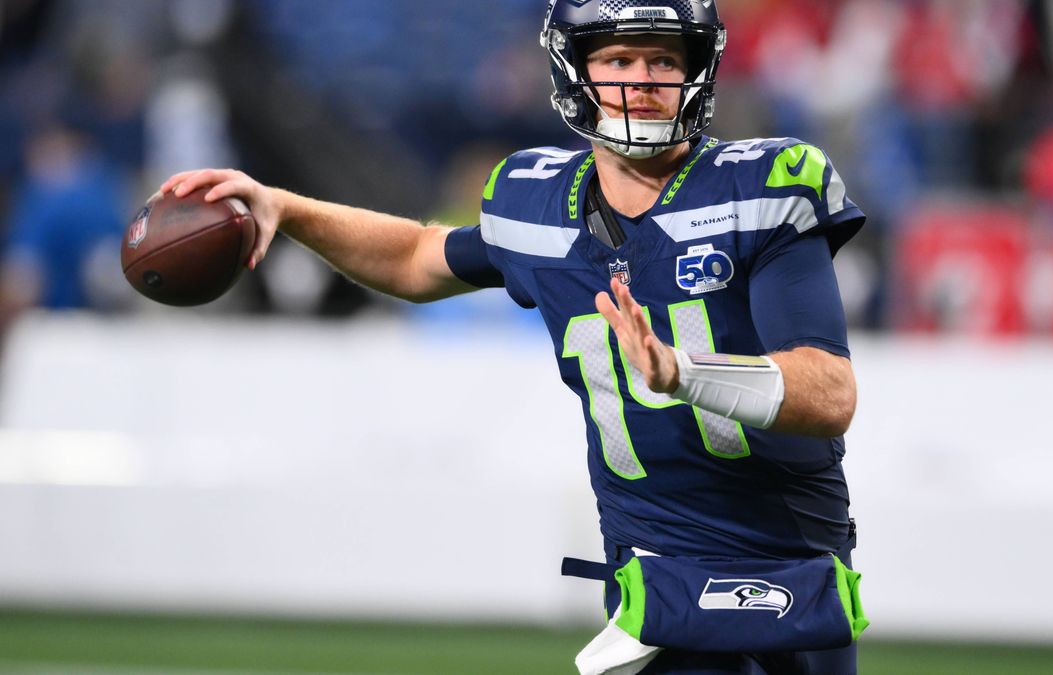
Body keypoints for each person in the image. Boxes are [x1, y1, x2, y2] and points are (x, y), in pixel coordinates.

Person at [164, 1, 866, 672]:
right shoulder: (534, 204)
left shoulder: (763, 189)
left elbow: (830, 392)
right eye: (620, 59)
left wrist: (684, 372)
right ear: (573, 69)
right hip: (662, 571)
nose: (645, 80)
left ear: (697, 68)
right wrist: (285, 207)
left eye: (663, 59)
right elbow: (414, 256)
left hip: (795, 564)